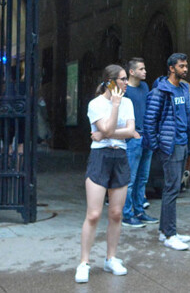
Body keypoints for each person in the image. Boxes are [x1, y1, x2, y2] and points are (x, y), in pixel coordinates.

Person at [76, 65, 138, 283]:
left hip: (120, 157)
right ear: (111, 82)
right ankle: (84, 262)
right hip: (100, 158)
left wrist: (104, 134)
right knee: (93, 214)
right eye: (122, 79)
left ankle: (111, 257)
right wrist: (114, 106)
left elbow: (130, 132)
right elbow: (109, 128)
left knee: (116, 213)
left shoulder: (128, 103)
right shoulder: (96, 104)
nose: (126, 83)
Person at [143, 52, 190, 251]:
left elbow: (186, 117)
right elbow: (149, 121)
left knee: (173, 189)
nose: (185, 69)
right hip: (170, 146)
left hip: (182, 143)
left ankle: (166, 231)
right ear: (171, 68)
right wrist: (157, 145)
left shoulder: (184, 88)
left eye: (186, 65)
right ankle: (170, 234)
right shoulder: (160, 91)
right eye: (181, 66)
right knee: (172, 189)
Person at [122, 58, 158, 228]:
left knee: (142, 178)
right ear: (132, 71)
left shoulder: (145, 87)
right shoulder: (123, 89)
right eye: (141, 69)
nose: (145, 72)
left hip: (147, 137)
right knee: (130, 179)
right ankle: (127, 214)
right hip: (133, 138)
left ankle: (139, 211)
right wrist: (131, 132)